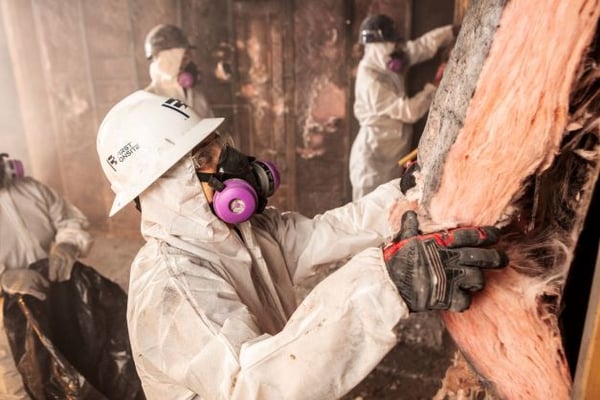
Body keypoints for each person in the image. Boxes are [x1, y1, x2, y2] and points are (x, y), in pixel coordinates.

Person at [96, 90, 507, 400]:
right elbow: (253, 384)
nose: (231, 161)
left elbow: (327, 232)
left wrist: (402, 195)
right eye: (204, 157)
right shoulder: (171, 289)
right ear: (164, 189)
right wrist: (387, 285)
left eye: (219, 144)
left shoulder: (246, 232)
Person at [0, 153, 92, 399]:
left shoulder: (30, 189)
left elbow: (70, 219)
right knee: (18, 376)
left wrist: (68, 244)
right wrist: (4, 277)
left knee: (67, 361)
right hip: (4, 315)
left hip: (50, 291)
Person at [349, 14, 457, 200]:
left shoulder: (386, 62)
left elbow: (420, 47)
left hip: (391, 156)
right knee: (370, 214)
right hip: (372, 161)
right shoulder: (370, 81)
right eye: (391, 44)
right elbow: (409, 112)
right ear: (375, 46)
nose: (396, 49)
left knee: (392, 205)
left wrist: (450, 32)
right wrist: (432, 87)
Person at [144, 23, 213, 118]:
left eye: (186, 57)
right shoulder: (146, 102)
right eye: (179, 57)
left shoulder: (198, 99)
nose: (185, 63)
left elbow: (212, 131)